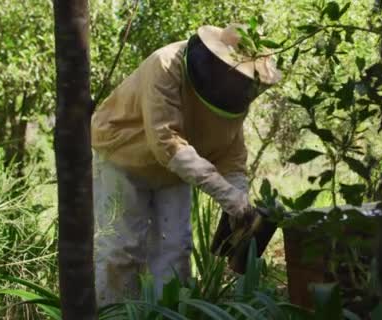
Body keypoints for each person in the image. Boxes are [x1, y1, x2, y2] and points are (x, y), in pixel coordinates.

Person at [90, 23, 281, 305]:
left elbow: (232, 154)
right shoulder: (165, 64)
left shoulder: (234, 92)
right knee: (121, 249)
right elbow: (166, 141)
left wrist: (239, 200)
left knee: (176, 249)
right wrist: (227, 195)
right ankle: (113, 312)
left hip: (175, 172)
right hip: (124, 156)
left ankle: (165, 312)